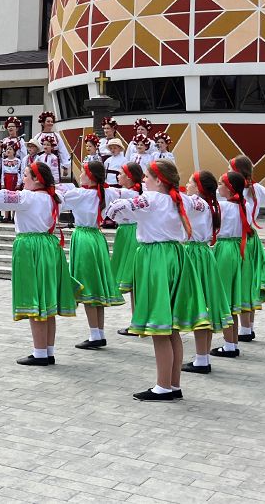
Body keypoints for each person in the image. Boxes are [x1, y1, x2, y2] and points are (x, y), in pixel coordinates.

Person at [105, 159, 199, 401]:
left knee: (160, 327)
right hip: (175, 256)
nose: (144, 180)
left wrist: (115, 204)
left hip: (155, 258)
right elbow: (202, 205)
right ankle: (173, 384)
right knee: (172, 328)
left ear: (159, 180)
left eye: (147, 176)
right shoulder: (181, 199)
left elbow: (115, 209)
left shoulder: (153, 199)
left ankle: (163, 386)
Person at [0, 162, 81, 366]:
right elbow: (70, 190)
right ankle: (47, 351)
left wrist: (18, 192)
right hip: (50, 245)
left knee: (36, 298)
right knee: (47, 300)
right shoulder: (54, 197)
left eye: (26, 176)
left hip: (30, 247)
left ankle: (40, 353)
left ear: (37, 179)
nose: (23, 179)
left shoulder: (28, 197)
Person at [61, 161, 126, 350]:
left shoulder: (80, 194)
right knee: (95, 284)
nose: (80, 175)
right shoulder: (108, 192)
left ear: (90, 176)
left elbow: (59, 200)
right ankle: (98, 333)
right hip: (97, 237)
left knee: (88, 286)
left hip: (83, 237)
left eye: (83, 172)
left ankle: (95, 334)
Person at [181, 170, 232, 374]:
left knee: (199, 306)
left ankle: (202, 359)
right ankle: (202, 357)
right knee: (204, 305)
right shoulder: (209, 205)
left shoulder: (197, 203)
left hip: (194, 254)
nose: (187, 184)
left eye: (190, 182)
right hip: (203, 254)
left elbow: (176, 201)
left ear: (198, 187)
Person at [232, 155, 265, 339]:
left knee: (242, 281)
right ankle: (248, 327)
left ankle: (243, 329)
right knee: (249, 280)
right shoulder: (257, 188)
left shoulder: (238, 189)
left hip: (240, 237)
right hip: (252, 236)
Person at [210, 170, 250, 361]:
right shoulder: (245, 204)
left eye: (220, 184)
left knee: (224, 298)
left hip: (225, 249)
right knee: (232, 298)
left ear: (229, 188)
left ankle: (229, 344)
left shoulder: (223, 206)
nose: (218, 187)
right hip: (238, 249)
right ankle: (231, 344)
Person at [112, 162, 145, 338]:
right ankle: (137, 320)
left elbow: (109, 192)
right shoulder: (136, 192)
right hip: (127, 232)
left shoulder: (127, 193)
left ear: (130, 177)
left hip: (131, 233)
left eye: (120, 173)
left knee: (134, 281)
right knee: (135, 282)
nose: (118, 176)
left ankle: (137, 321)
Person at [33, 111, 71, 178]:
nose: (50, 123)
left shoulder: (56, 136)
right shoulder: (38, 136)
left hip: (54, 162)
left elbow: (62, 150)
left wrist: (65, 167)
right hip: (41, 162)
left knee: (53, 180)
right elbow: (33, 150)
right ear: (43, 123)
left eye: (51, 121)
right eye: (48, 121)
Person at [0, 143, 21, 223]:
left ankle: (14, 216)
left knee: (14, 197)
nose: (8, 151)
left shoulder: (18, 161)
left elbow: (19, 172)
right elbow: (2, 173)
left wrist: (18, 183)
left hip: (14, 179)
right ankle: (6, 216)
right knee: (6, 197)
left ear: (14, 151)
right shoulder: (4, 161)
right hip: (6, 179)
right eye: (7, 149)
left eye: (10, 149)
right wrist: (2, 183)